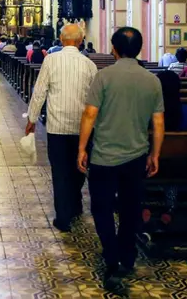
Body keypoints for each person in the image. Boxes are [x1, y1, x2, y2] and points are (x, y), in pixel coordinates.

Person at [78, 28, 164, 292]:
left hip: (104, 156)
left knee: (102, 208)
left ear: (114, 49)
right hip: (136, 156)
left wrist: (81, 148)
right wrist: (155, 154)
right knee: (130, 208)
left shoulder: (103, 76)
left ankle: (111, 255)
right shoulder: (152, 80)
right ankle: (126, 255)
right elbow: (158, 121)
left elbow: (90, 115)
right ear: (138, 48)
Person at [25, 24, 98, 231]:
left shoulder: (51, 60)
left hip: (57, 127)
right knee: (79, 167)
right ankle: (74, 205)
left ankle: (63, 216)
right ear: (80, 40)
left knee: (59, 171)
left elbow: (40, 91)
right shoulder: (88, 64)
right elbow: (95, 98)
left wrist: (31, 118)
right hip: (82, 128)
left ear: (61, 38)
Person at [156, 70, 187, 228]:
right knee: (172, 169)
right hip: (183, 163)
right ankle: (170, 207)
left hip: (153, 162)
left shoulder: (152, 111)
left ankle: (143, 204)